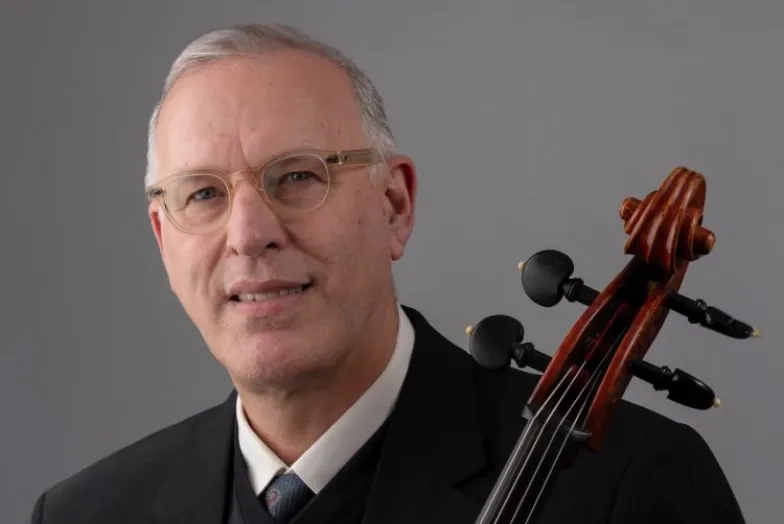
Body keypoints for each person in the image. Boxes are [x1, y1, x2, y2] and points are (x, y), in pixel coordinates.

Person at [29, 23, 746, 524]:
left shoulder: (633, 486)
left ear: (395, 205)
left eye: (298, 177)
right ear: (163, 237)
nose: (249, 236)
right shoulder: (86, 513)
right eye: (204, 195)